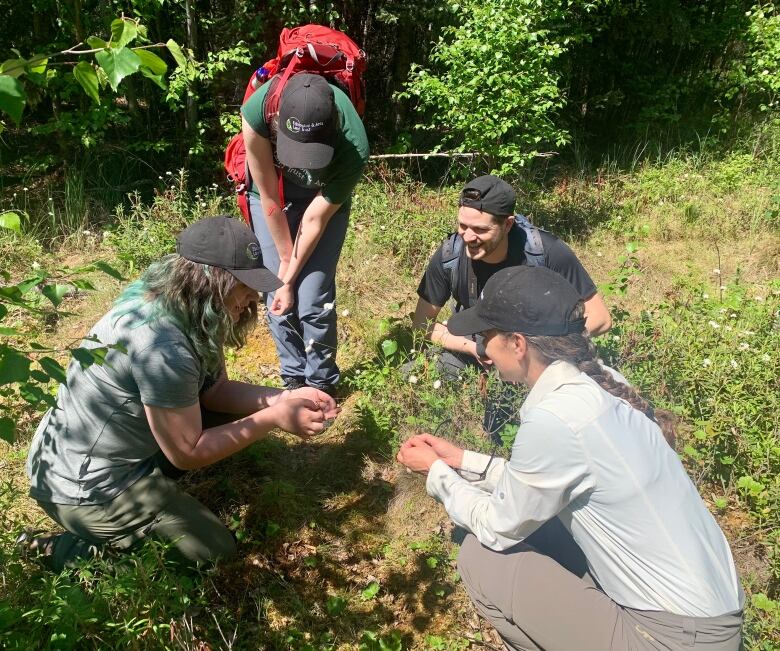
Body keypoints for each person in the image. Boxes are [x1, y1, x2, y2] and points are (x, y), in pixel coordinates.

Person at [397, 266, 743, 651]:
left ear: (518, 344)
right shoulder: (600, 383)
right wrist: (463, 460)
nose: (483, 350)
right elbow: (543, 482)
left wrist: (437, 474)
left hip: (670, 638)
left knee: (480, 557)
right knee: (546, 527)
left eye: (485, 336)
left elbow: (497, 525)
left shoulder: (554, 419)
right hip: (714, 618)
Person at [23, 216, 339, 571]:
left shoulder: (190, 307)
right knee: (210, 551)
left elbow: (214, 392)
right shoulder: (161, 346)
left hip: (97, 456)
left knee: (226, 419)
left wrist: (285, 397)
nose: (253, 296)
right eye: (244, 284)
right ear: (211, 282)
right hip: (85, 487)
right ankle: (60, 550)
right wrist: (272, 419)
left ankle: (148, 501)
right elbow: (186, 453)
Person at [241, 72, 369, 395]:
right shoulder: (258, 111)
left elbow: (314, 220)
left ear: (335, 127)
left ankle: (322, 384)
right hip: (275, 194)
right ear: (278, 121)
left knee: (313, 297)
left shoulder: (354, 145)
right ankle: (294, 377)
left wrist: (291, 277)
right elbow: (268, 196)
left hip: (321, 203)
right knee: (275, 292)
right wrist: (284, 274)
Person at [412, 174, 611, 379]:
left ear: (507, 225)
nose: (468, 237)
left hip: (537, 357)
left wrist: (534, 354)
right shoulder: (450, 255)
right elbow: (421, 325)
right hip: (476, 346)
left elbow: (601, 318)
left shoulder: (546, 252)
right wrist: (475, 349)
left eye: (480, 229)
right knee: (414, 376)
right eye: (463, 226)